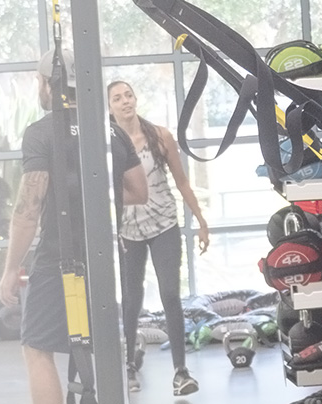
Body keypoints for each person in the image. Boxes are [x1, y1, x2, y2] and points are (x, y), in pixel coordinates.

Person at [0, 49, 147, 404]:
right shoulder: (108, 129)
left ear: (49, 84)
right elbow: (139, 191)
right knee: (103, 347)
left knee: (36, 347)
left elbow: (27, 211)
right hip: (106, 258)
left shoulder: (41, 132)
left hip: (57, 257)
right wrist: (93, 199)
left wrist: (9, 271)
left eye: (39, 81)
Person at [106, 80, 210, 396]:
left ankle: (181, 371)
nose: (125, 102)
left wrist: (202, 221)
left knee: (169, 294)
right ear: (109, 107)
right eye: (117, 98)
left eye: (129, 95)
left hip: (165, 224)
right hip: (129, 231)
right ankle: (128, 365)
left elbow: (182, 182)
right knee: (132, 297)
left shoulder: (160, 136)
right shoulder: (108, 145)